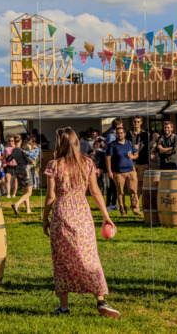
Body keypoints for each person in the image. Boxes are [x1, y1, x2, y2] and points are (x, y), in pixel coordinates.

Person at [42, 127, 120, 318]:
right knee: (89, 256)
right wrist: (106, 216)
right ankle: (101, 300)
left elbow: (51, 196)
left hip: (62, 213)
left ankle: (64, 307)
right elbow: (95, 191)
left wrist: (45, 218)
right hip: (82, 213)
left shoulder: (54, 165)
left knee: (62, 261)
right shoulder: (87, 163)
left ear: (60, 143)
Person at [106, 124, 139, 217]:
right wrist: (110, 172)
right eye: (118, 133)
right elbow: (108, 159)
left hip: (131, 171)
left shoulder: (130, 143)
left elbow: (136, 154)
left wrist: (133, 156)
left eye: (121, 133)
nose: (120, 135)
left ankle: (136, 209)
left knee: (133, 191)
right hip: (118, 173)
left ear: (124, 134)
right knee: (120, 192)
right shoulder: (112, 145)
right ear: (116, 134)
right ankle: (123, 210)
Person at [9, 135, 32, 214]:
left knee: (25, 191)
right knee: (29, 192)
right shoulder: (22, 150)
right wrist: (33, 161)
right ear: (21, 141)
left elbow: (8, 159)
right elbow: (29, 158)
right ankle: (17, 204)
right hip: (25, 171)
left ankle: (28, 209)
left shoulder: (13, 151)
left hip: (18, 170)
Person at [126, 115, 150, 191]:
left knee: (140, 182)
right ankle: (134, 199)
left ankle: (136, 200)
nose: (136, 123)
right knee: (131, 182)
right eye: (135, 121)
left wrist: (147, 163)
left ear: (141, 122)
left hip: (142, 162)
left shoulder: (145, 134)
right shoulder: (128, 134)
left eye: (138, 122)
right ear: (133, 122)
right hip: (131, 162)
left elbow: (147, 150)